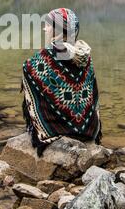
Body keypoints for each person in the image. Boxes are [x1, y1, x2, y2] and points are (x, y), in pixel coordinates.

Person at [21, 8, 102, 157]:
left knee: (28, 70)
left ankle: (51, 124)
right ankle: (83, 125)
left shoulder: (45, 57)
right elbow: (92, 93)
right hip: (88, 129)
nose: (44, 28)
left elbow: (28, 68)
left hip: (58, 129)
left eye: (48, 25)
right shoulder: (84, 55)